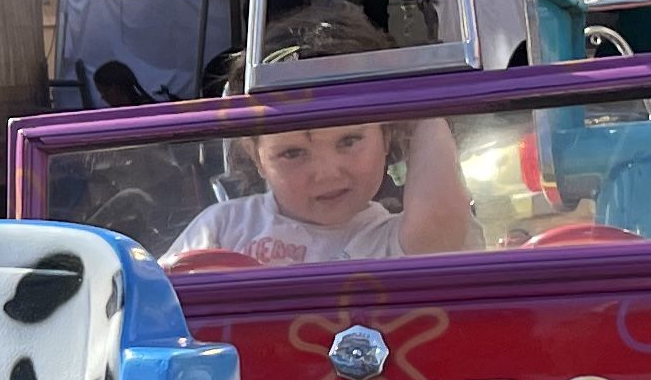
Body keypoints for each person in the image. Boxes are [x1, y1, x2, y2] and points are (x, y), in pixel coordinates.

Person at [164, 114, 476, 269]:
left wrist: (424, 116)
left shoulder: (391, 241)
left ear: (387, 135)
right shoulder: (226, 225)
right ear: (256, 156)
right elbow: (157, 300)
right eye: (293, 153)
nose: (327, 173)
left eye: (349, 141)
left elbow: (440, 218)